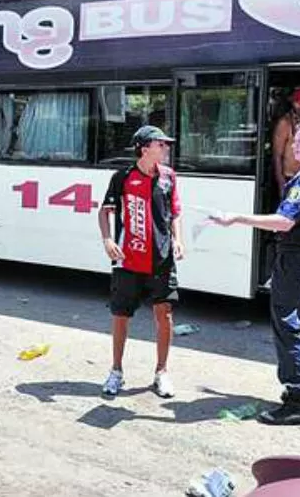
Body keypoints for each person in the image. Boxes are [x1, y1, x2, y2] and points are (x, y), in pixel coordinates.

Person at [210, 120, 300, 425]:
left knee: (289, 325)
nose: (294, 146)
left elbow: (283, 222)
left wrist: (236, 218)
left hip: (298, 262)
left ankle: (299, 401)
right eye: (294, 140)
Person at [97, 125, 185, 399]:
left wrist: (178, 239)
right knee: (121, 315)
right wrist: (108, 240)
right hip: (127, 259)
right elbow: (105, 211)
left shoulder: (169, 177)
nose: (166, 148)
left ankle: (161, 372)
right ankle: (116, 371)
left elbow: (175, 213)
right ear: (144, 148)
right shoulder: (122, 177)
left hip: (161, 259)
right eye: (161, 144)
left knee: (165, 314)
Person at [272, 87, 300, 196]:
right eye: (298, 101)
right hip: (290, 178)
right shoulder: (285, 123)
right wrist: (281, 183)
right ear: (292, 102)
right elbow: (277, 155)